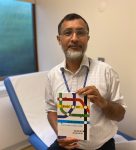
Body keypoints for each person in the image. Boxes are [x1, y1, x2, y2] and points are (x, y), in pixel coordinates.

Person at [45, 13, 126, 150]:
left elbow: (120, 115)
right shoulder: (52, 75)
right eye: (68, 33)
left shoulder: (107, 71)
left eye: (80, 33)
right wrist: (59, 133)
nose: (74, 38)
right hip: (65, 144)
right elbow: (51, 110)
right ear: (59, 40)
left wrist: (103, 102)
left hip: (100, 146)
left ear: (87, 38)